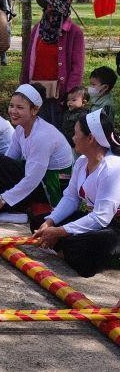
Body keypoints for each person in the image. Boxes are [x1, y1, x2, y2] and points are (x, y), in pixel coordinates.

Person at [33, 110, 120, 277]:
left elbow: (101, 217)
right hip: (101, 223)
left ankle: (66, 247)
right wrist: (51, 222)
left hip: (114, 228)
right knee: (39, 222)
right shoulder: (81, 162)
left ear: (90, 138)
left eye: (76, 133)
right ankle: (64, 246)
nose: (72, 138)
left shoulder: (113, 168)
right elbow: (71, 197)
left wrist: (60, 232)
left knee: (83, 247)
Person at [0, 84, 73, 226]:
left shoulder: (42, 136)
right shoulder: (20, 129)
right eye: (11, 106)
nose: (13, 111)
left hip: (51, 185)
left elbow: (33, 179)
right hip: (38, 177)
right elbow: (7, 160)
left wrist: (2, 198)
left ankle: (18, 211)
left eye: (20, 107)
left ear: (34, 110)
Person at [20, 0, 84, 127]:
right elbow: (28, 59)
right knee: (35, 129)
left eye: (52, 6)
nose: (48, 9)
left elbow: (77, 66)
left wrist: (70, 93)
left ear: (62, 10)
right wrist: (23, 85)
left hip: (58, 94)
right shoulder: (38, 28)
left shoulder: (74, 32)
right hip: (35, 89)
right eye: (47, 5)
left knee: (56, 129)